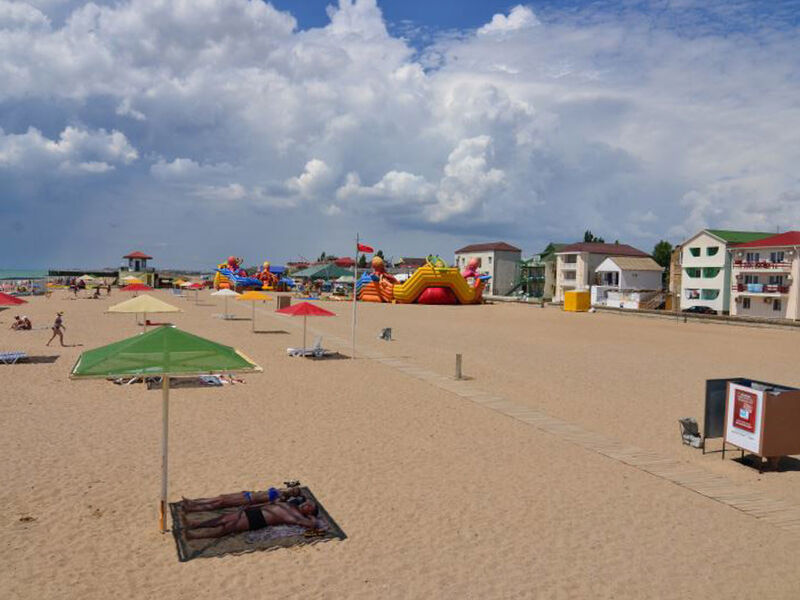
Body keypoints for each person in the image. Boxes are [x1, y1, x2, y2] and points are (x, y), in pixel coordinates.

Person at [183, 499, 321, 540]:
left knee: (228, 527)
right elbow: (271, 503)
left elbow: (313, 525)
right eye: (308, 503)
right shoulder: (292, 504)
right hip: (256, 511)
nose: (306, 504)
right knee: (223, 518)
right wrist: (253, 506)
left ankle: (195, 536)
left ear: (310, 511)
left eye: (310, 506)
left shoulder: (297, 517)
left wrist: (312, 517)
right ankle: (196, 524)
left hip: (260, 519)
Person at [182, 487, 301, 512]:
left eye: (293, 491)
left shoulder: (280, 499)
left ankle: (194, 507)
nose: (291, 490)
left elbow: (266, 504)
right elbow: (262, 492)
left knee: (221, 502)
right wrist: (249, 491)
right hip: (248, 494)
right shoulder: (279, 491)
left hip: (248, 500)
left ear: (293, 495)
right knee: (221, 497)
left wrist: (251, 507)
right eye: (292, 489)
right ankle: (194, 502)